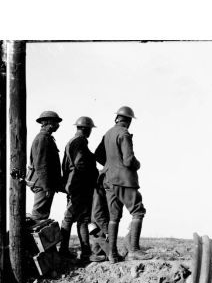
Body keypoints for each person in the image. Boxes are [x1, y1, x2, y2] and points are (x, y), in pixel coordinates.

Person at [95, 106, 151, 263]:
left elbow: (98, 155)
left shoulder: (108, 133)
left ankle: (112, 254)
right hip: (123, 180)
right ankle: (133, 250)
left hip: (108, 180)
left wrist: (110, 165)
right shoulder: (124, 133)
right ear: (129, 121)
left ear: (117, 119)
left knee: (114, 217)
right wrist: (137, 164)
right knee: (138, 211)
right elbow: (128, 160)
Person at [59, 116, 99, 260]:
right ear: (86, 129)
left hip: (75, 185)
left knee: (83, 218)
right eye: (90, 129)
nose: (90, 132)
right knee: (70, 218)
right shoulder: (79, 142)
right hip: (79, 186)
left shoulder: (73, 142)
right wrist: (93, 175)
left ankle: (85, 252)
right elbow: (80, 164)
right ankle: (63, 250)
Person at [28, 111, 63, 221]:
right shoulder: (43, 139)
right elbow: (41, 165)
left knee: (41, 215)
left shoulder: (46, 138)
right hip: (43, 184)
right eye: (56, 122)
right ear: (50, 123)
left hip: (44, 183)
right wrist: (46, 187)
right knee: (39, 216)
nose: (58, 125)